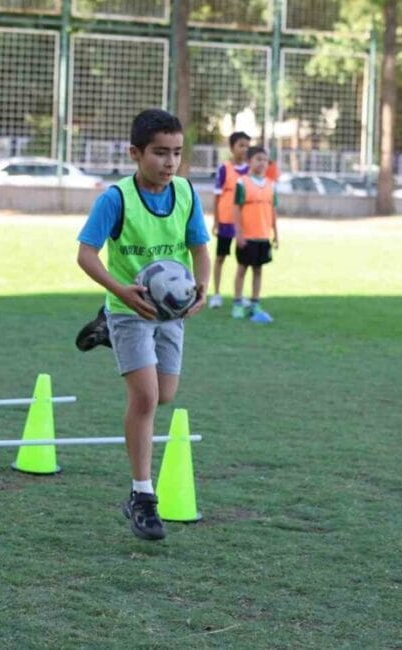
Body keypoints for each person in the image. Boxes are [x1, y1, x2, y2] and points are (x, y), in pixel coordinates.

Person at [76, 109, 211, 541]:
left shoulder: (187, 194)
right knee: (147, 398)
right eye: (159, 153)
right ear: (135, 153)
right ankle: (141, 495)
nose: (169, 163)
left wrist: (202, 287)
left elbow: (200, 248)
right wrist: (120, 291)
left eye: (176, 153)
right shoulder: (116, 199)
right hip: (128, 308)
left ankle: (105, 335)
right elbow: (86, 255)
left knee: (166, 394)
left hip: (169, 311)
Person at [232, 146, 279, 323]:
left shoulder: (271, 185)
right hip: (247, 236)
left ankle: (254, 303)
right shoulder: (242, 182)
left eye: (265, 160)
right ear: (249, 161)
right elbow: (236, 209)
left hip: (263, 236)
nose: (262, 163)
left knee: (258, 270)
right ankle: (237, 303)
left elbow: (273, 210)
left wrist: (275, 233)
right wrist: (239, 234)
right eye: (258, 159)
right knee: (242, 269)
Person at [209, 131, 251, 308]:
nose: (244, 149)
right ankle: (216, 294)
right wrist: (216, 221)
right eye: (241, 145)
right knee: (220, 257)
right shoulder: (224, 169)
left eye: (247, 146)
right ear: (232, 147)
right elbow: (217, 196)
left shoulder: (251, 169)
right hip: (226, 220)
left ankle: (239, 295)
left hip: (245, 222)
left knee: (244, 261)